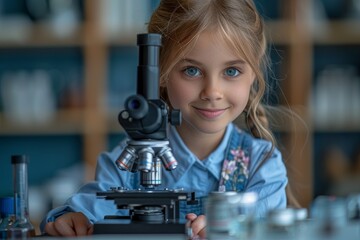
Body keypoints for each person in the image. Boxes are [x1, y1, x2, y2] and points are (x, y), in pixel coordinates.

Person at [41, 0, 289, 238]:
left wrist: (233, 224)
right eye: (191, 70)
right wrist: (70, 220)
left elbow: (270, 222)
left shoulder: (263, 166)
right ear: (161, 72)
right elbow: (78, 212)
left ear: (254, 73)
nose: (212, 92)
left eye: (231, 71)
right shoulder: (128, 164)